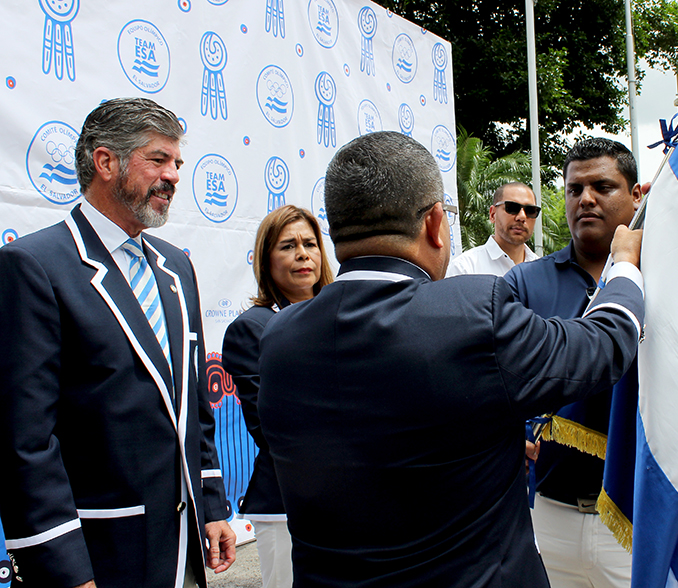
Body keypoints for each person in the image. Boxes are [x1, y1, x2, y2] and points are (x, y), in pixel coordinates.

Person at [257, 131, 645, 587]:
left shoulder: (278, 338)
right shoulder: (474, 313)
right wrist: (624, 265)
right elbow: (602, 345)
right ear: (435, 224)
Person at [0, 98, 236, 588]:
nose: (173, 176)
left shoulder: (176, 268)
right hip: (99, 555)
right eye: (158, 159)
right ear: (105, 162)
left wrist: (211, 503)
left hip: (183, 551)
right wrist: (63, 570)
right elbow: (24, 440)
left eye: (178, 163)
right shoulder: (34, 266)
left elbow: (192, 404)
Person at [505, 137, 642, 588]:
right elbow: (495, 380)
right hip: (549, 517)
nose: (585, 199)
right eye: (574, 189)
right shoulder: (523, 284)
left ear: (636, 195)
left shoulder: (667, 281)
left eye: (602, 187)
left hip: (638, 518)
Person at [222, 205, 333, 587]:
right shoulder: (252, 328)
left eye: (310, 244)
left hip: (354, 499)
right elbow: (272, 425)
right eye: (288, 246)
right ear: (266, 260)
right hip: (288, 503)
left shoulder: (344, 316)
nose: (303, 254)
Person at [446, 182, 539, 277]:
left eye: (530, 211)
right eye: (512, 208)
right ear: (493, 214)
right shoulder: (465, 268)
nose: (522, 217)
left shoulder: (543, 271)